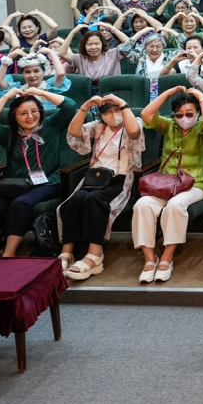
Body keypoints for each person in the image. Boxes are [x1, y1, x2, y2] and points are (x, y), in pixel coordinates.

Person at [0, 86, 77, 258]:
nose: (30, 116)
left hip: (48, 182)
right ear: (14, 117)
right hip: (15, 183)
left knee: (20, 204)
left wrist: (40, 92)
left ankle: (9, 254)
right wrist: (6, 96)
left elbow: (69, 105)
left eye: (34, 111)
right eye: (23, 113)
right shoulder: (9, 134)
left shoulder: (51, 125)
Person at [133, 85, 203, 284]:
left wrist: (198, 95)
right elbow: (146, 114)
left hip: (194, 183)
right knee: (142, 206)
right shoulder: (169, 125)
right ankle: (149, 258)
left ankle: (167, 256)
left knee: (175, 206)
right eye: (179, 115)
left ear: (197, 113)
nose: (184, 118)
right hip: (166, 183)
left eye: (189, 114)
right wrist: (168, 93)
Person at [59, 94, 145, 281]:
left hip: (120, 178)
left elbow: (133, 132)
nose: (113, 115)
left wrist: (123, 103)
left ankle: (94, 255)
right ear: (101, 115)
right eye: (108, 112)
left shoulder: (133, 120)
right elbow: (74, 132)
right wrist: (85, 105)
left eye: (116, 110)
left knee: (93, 200)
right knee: (75, 200)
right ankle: (68, 250)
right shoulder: (98, 127)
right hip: (95, 177)